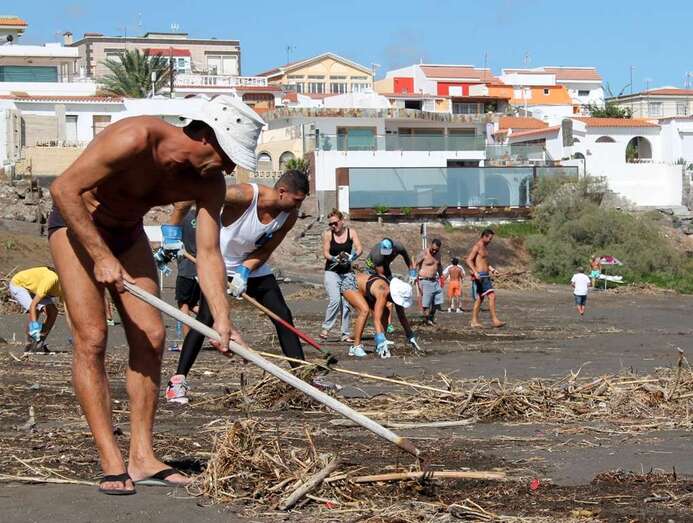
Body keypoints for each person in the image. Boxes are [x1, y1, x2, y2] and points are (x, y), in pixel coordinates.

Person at [48, 94, 264, 495]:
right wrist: (99, 255)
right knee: (92, 337)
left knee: (152, 335)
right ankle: (110, 457)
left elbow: (209, 253)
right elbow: (63, 189)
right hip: (78, 224)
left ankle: (142, 456)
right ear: (205, 137)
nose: (231, 167)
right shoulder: (135, 137)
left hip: (127, 233)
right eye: (229, 155)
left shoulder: (209, 183)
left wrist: (221, 319)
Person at [166, 171, 310, 404]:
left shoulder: (289, 216)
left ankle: (302, 377)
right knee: (204, 318)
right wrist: (172, 229)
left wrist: (245, 270)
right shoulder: (245, 195)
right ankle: (177, 381)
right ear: (282, 192)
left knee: (282, 314)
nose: (298, 206)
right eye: (297, 200)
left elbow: (265, 250)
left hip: (250, 267)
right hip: (218, 263)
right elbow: (193, 196)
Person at [346, 272, 418, 358]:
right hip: (351, 284)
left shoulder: (395, 294)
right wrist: (380, 338)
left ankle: (380, 343)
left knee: (386, 312)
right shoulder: (383, 292)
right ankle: (355, 347)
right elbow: (377, 319)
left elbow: (402, 316)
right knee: (364, 311)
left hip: (368, 291)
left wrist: (410, 335)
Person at [320, 209, 362, 342]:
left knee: (347, 304)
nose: (333, 226)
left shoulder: (351, 232)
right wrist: (334, 258)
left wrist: (352, 256)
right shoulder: (328, 235)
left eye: (335, 223)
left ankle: (345, 333)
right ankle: (326, 328)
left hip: (347, 272)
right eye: (330, 224)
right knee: (335, 300)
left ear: (342, 221)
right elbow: (325, 253)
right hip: (332, 272)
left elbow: (359, 249)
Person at [365, 238, 416, 334]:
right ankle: (379, 325)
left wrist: (412, 272)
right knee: (381, 295)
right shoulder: (377, 255)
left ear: (393, 249)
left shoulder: (399, 246)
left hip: (385, 266)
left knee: (393, 293)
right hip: (371, 269)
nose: (385, 253)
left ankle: (392, 323)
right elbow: (382, 276)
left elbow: (407, 259)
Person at [9, 266, 63, 353]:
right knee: (36, 310)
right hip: (20, 284)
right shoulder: (51, 280)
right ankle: (30, 342)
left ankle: (39, 343)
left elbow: (68, 309)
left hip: (36, 289)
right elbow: (33, 305)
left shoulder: (68, 288)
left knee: (53, 312)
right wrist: (34, 326)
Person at [465, 229, 505, 328]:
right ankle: (495, 320)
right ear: (484, 236)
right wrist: (475, 272)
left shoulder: (485, 247)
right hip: (480, 276)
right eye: (489, 238)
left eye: (491, 239)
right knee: (492, 296)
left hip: (485, 275)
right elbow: (468, 260)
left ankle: (474, 321)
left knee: (480, 298)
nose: (490, 240)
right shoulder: (477, 246)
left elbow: (485, 262)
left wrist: (492, 270)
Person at [174, 206, 201, 343]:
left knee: (183, 305)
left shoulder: (180, 218)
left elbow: (172, 241)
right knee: (192, 305)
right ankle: (211, 319)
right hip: (202, 268)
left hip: (187, 268)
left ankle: (187, 341)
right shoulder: (199, 216)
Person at [416, 239, 443, 325]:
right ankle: (426, 320)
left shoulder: (438, 255)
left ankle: (430, 317)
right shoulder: (424, 253)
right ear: (431, 245)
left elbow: (439, 265)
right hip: (425, 280)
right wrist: (413, 275)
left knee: (437, 301)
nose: (434, 251)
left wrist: (441, 275)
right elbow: (415, 263)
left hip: (435, 281)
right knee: (426, 303)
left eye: (436, 250)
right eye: (433, 249)